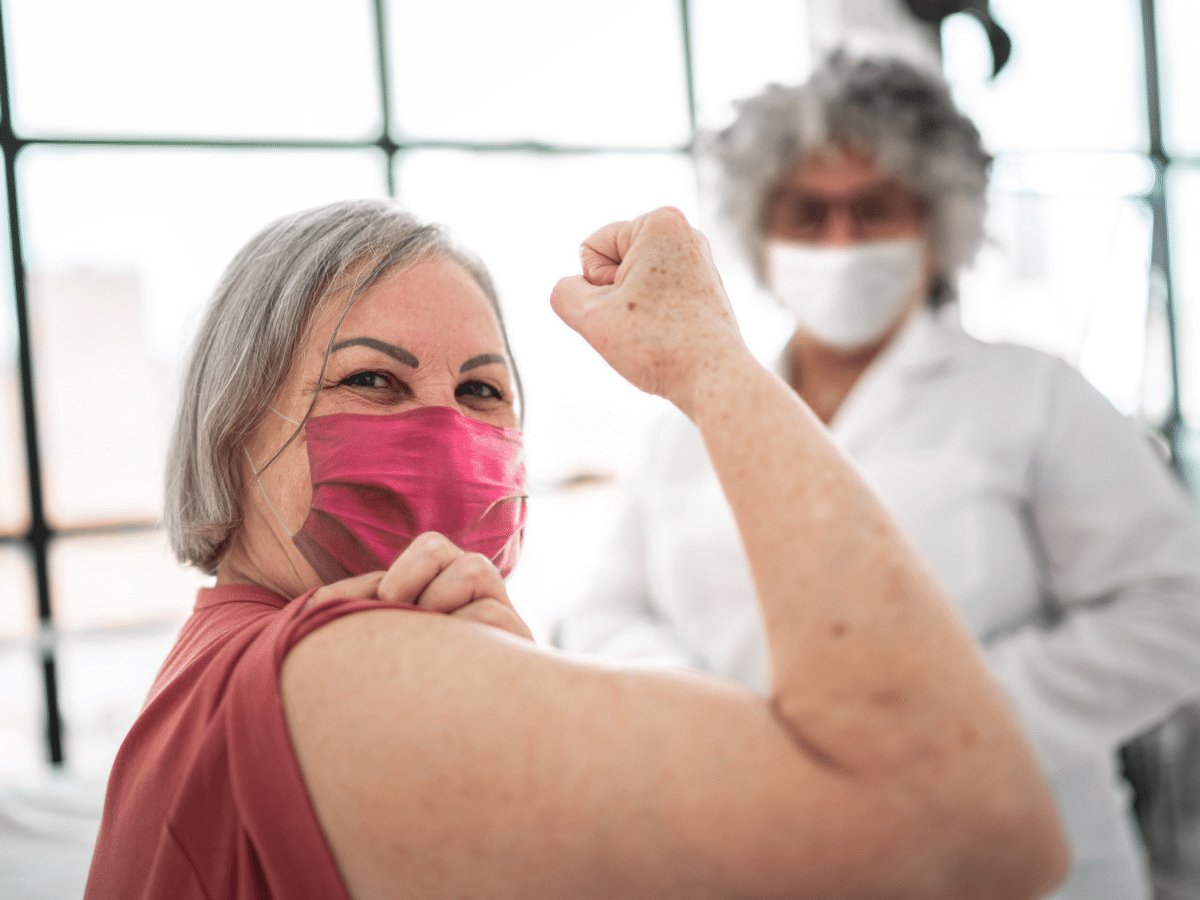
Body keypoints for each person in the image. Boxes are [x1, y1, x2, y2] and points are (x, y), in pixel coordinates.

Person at [82, 198, 1066, 899]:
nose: (442, 428)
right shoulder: (336, 667)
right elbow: (965, 829)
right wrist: (709, 361)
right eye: (373, 382)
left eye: (480, 392)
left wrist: (499, 675)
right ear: (229, 428)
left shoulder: (226, 666)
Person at [554, 54, 1200, 900]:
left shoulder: (1034, 395)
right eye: (807, 214)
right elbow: (608, 612)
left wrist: (937, 721)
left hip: (1020, 859)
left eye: (873, 211)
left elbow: (1171, 611)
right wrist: (727, 727)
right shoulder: (689, 417)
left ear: (935, 224)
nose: (841, 243)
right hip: (758, 845)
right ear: (758, 228)